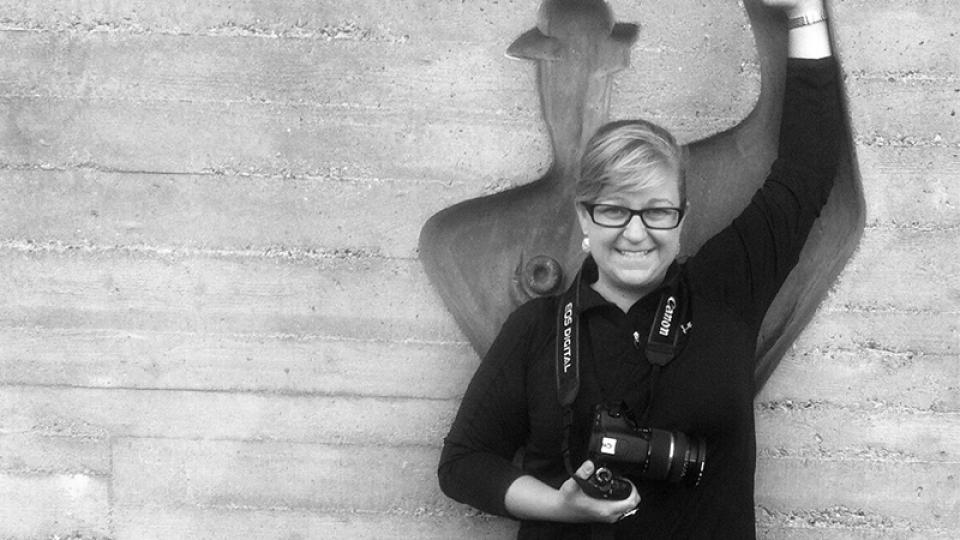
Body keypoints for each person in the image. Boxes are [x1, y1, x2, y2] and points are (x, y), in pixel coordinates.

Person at [438, 0, 840, 537]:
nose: (634, 232)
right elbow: (464, 463)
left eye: (656, 210)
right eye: (612, 209)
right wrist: (560, 505)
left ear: (682, 218)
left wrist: (803, 12)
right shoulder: (537, 330)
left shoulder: (724, 290)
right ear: (585, 215)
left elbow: (806, 173)